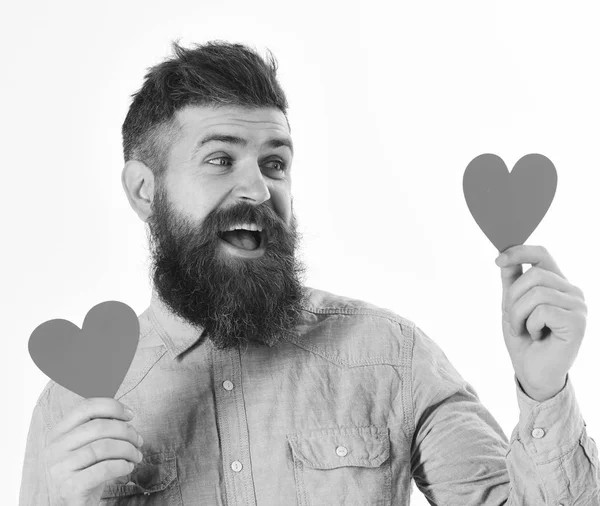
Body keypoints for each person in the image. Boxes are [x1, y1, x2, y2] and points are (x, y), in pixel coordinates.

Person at [19, 40, 599, 505]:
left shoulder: (390, 354)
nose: (257, 188)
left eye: (275, 162)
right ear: (145, 191)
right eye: (220, 159)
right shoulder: (72, 404)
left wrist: (544, 390)